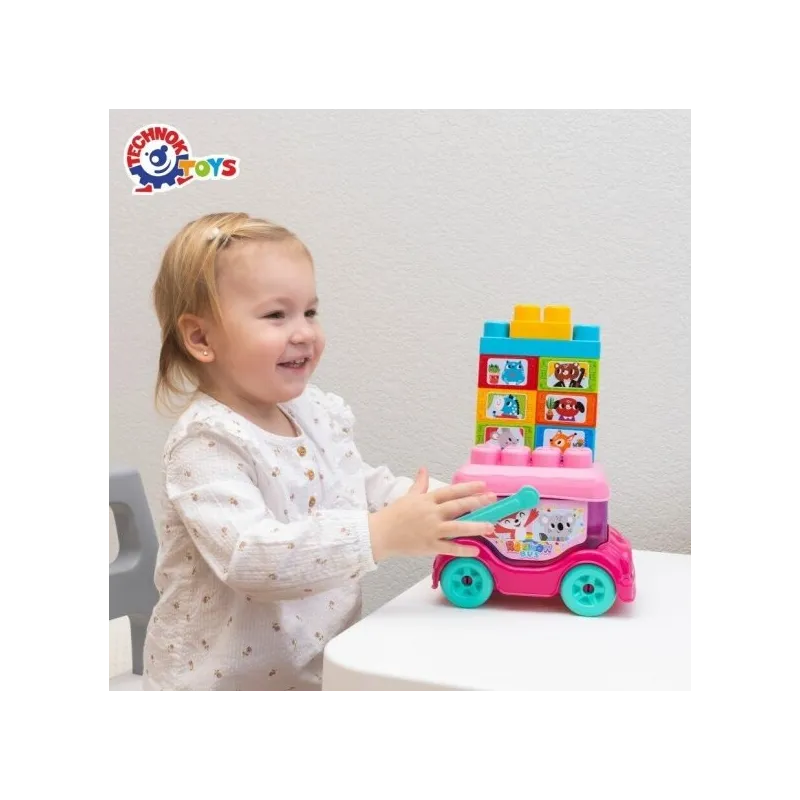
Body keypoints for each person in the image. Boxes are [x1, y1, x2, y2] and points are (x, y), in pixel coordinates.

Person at [142, 212, 496, 695]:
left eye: (309, 312)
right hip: (218, 693)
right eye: (276, 315)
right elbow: (251, 559)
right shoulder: (206, 443)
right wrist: (381, 534)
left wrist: (451, 505)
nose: (304, 332)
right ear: (201, 339)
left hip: (312, 675)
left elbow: (358, 485)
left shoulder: (310, 411)